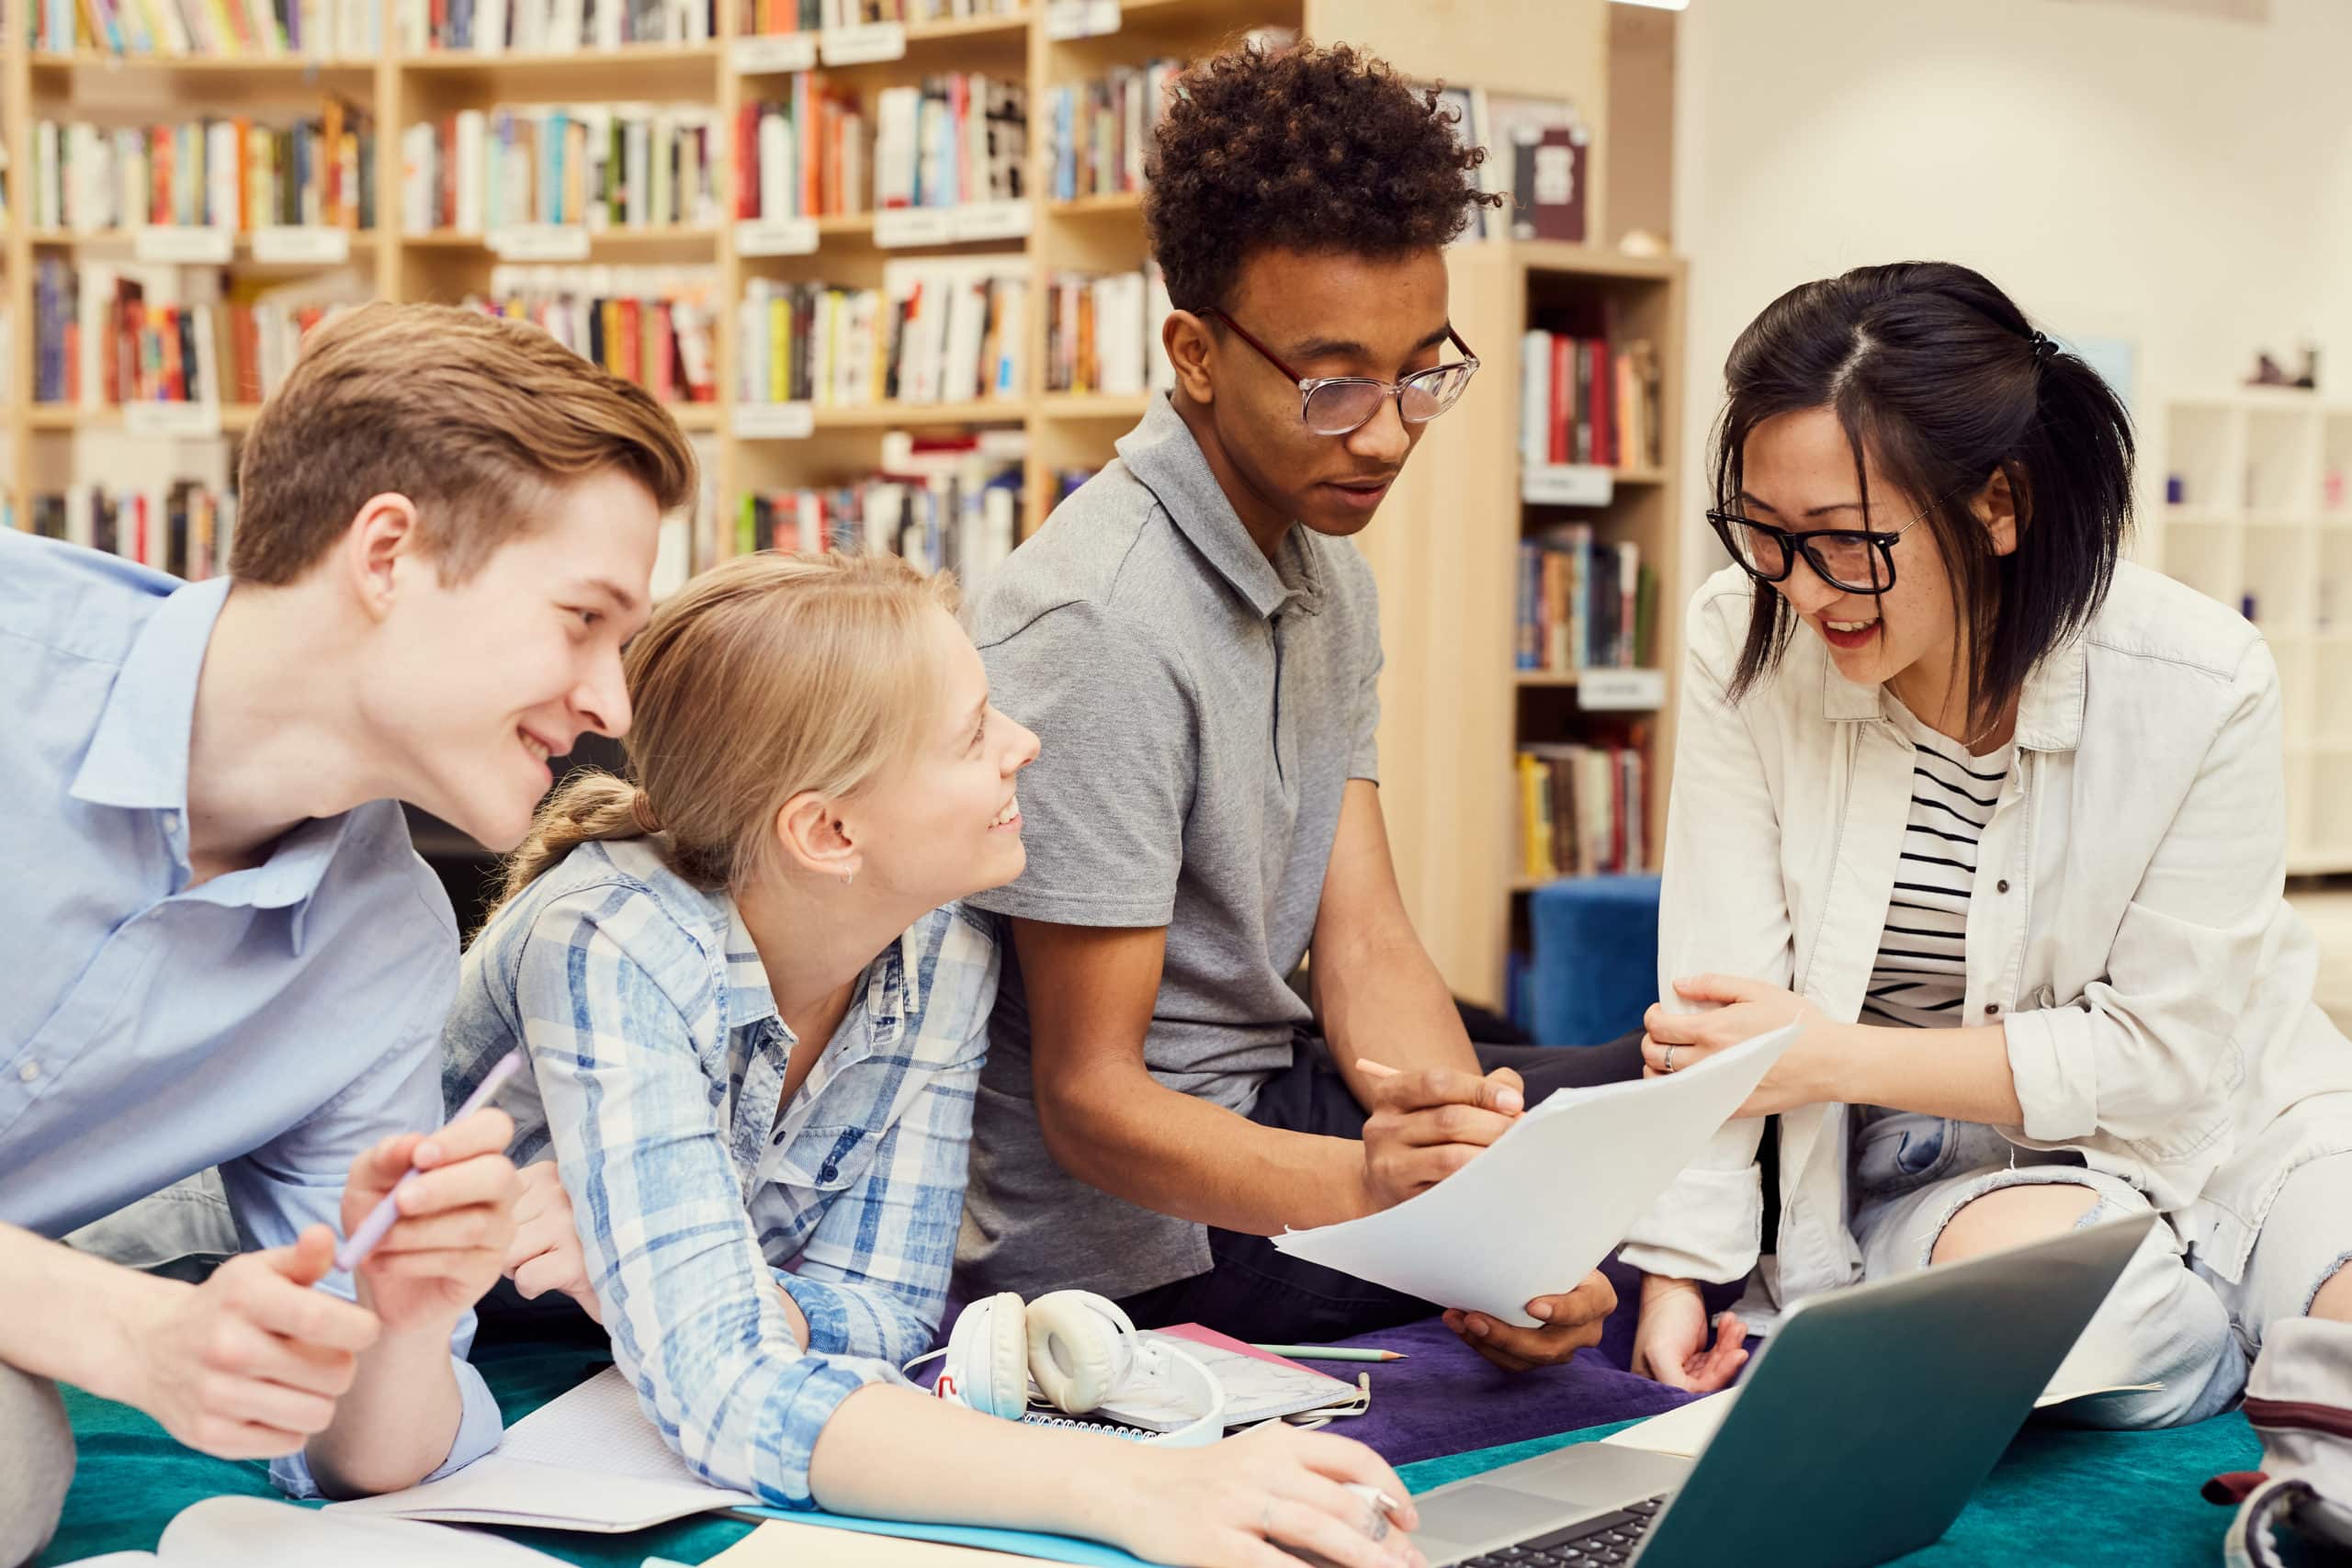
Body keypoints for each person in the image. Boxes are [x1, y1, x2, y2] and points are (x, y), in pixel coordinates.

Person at [446, 552, 1425, 1568]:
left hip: (630, 1388)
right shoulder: (609, 944)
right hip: (467, 1402)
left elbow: (886, 1315)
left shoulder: (941, 936)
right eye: (971, 736)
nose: (1026, 744)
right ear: (827, 831)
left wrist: (719, 1296)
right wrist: (1144, 1490)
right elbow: (728, 1399)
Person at [950, 39, 1646, 1369]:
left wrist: (1478, 1175)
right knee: (1620, 1194)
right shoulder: (1097, 620)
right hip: (1138, 1237)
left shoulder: (1328, 569)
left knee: (1681, 1111)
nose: (1385, 432)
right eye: (1332, 381)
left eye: (1421, 372)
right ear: (1196, 354)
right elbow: (1091, 1103)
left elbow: (1368, 940)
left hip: (1282, 1109)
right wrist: (1431, 1216)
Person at [0, 301, 695, 1564]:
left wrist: (402, 1317)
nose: (608, 702)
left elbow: (360, 1450)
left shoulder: (379, 946)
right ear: (387, 552)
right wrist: (119, 1331)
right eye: (581, 619)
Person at [1622, 261, 2352, 1425]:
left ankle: (2272, 1323)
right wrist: (1678, 1269)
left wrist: (1831, 1056)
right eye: (1763, 535)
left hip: (2236, 1117)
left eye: (1847, 542)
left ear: (1997, 506)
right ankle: (2240, 1348)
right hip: (1952, 1169)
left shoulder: (2201, 677)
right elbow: (1723, 1009)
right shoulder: (1740, 642)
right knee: (2036, 1314)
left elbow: (2163, 1060)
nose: (1803, 591)